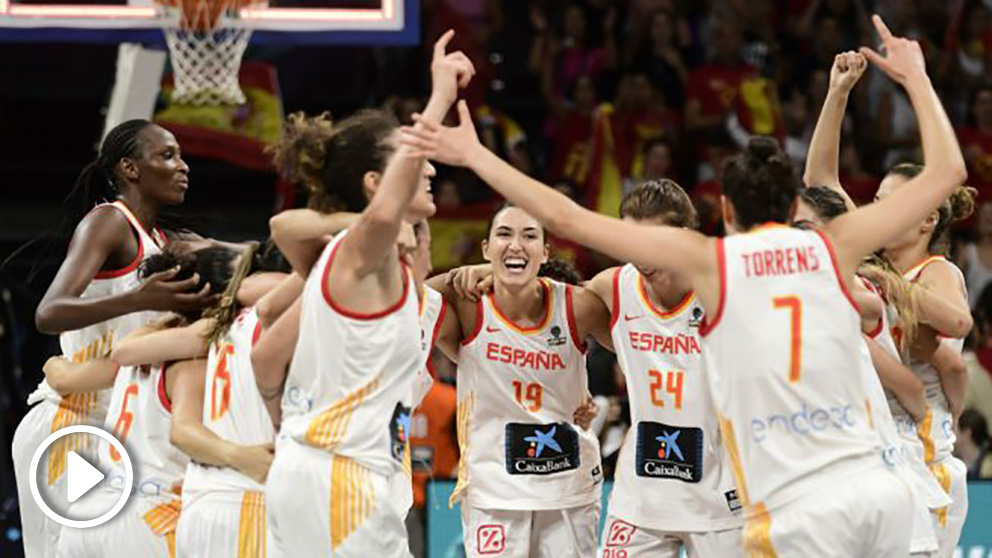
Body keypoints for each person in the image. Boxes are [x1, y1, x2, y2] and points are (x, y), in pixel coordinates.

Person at [400, 15, 967, 555]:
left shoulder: (714, 264)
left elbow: (567, 218)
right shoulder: (834, 247)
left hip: (794, 498)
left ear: (722, 210)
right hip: (877, 481)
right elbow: (947, 175)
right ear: (795, 206)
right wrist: (916, 77)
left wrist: (474, 154)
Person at [257, 30, 470, 558]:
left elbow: (265, 359)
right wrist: (439, 98)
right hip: (340, 479)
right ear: (378, 182)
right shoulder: (360, 254)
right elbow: (364, 219)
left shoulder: (351, 258)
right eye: (412, 157)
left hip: (328, 470)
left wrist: (285, 420)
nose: (431, 167)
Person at [10, 120, 211, 558]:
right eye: (168, 155)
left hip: (121, 423)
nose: (183, 166)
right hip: (72, 422)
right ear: (129, 168)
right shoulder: (108, 221)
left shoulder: (161, 240)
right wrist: (138, 297)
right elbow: (49, 312)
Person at [803, 50, 974, 557]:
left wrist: (878, 275)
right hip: (874, 440)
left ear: (925, 220)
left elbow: (957, 322)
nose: (876, 211)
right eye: (876, 202)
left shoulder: (938, 271)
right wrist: (837, 94)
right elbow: (821, 183)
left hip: (924, 449)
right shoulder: (876, 258)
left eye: (889, 204)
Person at [45, 245, 264, 558]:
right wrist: (242, 456)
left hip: (88, 510)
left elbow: (64, 379)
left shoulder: (138, 346)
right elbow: (183, 431)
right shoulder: (194, 361)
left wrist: (52, 365)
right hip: (147, 513)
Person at [425, 204, 610, 558]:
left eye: (529, 236)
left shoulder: (576, 305)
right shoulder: (469, 308)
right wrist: (456, 276)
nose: (515, 244)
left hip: (569, 487)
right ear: (486, 248)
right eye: (504, 235)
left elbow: (630, 346)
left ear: (544, 252)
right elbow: (414, 302)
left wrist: (591, 398)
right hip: (494, 491)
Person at [583, 181, 742, 557]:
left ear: (686, 235)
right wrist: (485, 274)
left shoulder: (725, 288)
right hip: (642, 497)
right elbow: (548, 310)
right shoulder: (613, 287)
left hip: (721, 494)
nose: (641, 253)